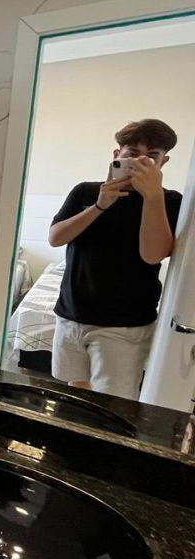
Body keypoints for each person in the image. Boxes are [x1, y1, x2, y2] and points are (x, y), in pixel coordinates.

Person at [48, 119, 182, 400]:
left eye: (152, 156)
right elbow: (56, 238)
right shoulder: (86, 191)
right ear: (117, 155)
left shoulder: (170, 201)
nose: (140, 162)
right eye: (133, 153)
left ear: (163, 162)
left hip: (124, 325)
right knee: (75, 392)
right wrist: (99, 206)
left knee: (115, 403)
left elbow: (153, 254)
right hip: (71, 314)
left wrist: (152, 197)